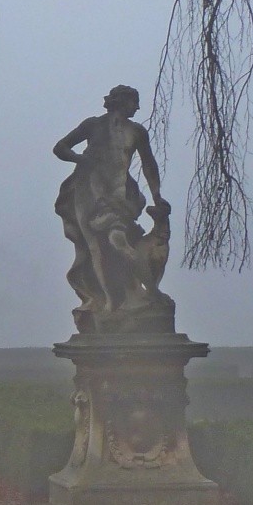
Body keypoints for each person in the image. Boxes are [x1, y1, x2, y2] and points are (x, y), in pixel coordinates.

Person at [53, 85, 171, 329]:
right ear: (120, 102)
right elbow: (60, 147)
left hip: (120, 192)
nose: (137, 107)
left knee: (119, 238)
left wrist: (157, 196)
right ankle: (109, 302)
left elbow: (149, 165)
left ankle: (138, 293)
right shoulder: (93, 125)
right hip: (89, 190)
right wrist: (82, 160)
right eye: (133, 102)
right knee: (96, 247)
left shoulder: (137, 132)